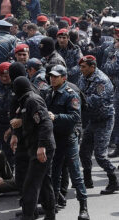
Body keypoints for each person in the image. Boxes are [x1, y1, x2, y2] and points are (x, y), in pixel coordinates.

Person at [45, 65, 89, 220]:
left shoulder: (71, 94)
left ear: (64, 78)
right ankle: (53, 204)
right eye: (51, 76)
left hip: (69, 139)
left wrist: (56, 117)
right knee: (54, 174)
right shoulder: (50, 93)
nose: (52, 78)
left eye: (56, 76)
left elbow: (75, 118)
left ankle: (83, 208)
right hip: (55, 139)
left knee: (76, 175)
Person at [12, 76, 56, 220]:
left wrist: (42, 146)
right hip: (36, 146)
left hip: (42, 148)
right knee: (44, 182)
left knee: (31, 184)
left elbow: (46, 123)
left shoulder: (32, 100)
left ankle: (28, 216)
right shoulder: (25, 101)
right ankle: (50, 214)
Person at [78, 55, 118, 194]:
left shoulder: (102, 80)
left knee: (100, 155)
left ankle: (114, 180)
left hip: (104, 120)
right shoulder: (84, 77)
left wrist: (79, 101)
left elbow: (97, 100)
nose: (81, 69)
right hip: (93, 120)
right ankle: (88, 180)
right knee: (83, 151)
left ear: (92, 67)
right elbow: (80, 92)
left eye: (84, 67)